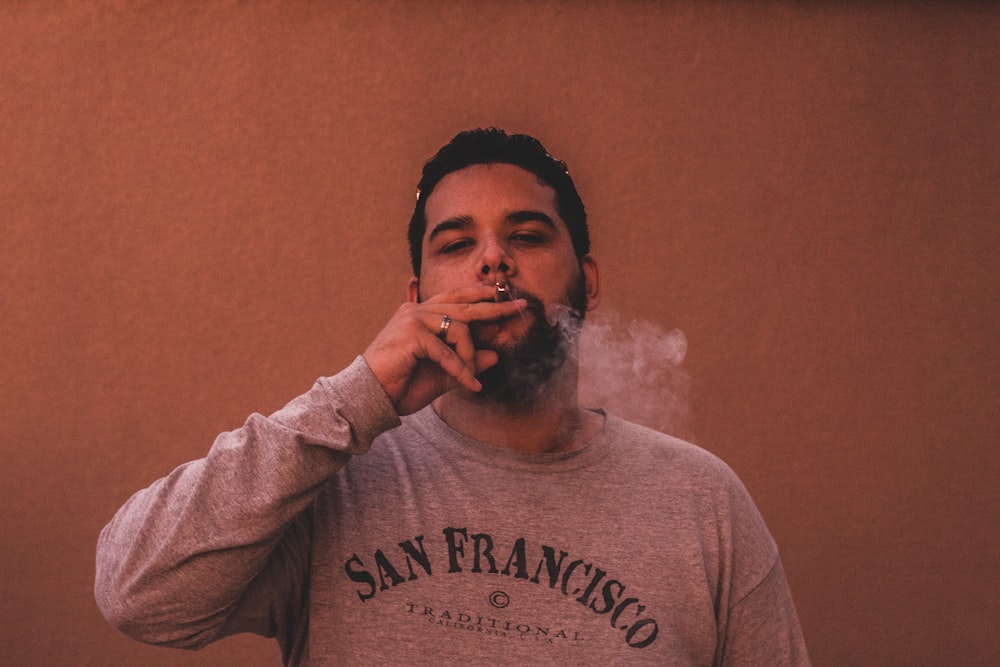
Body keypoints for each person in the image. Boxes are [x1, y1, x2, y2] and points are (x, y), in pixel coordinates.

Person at [95, 128, 810, 665]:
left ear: (587, 281)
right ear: (417, 297)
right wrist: (358, 394)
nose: (492, 258)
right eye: (455, 243)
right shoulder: (333, 477)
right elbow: (137, 593)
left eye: (526, 234)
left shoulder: (701, 502)